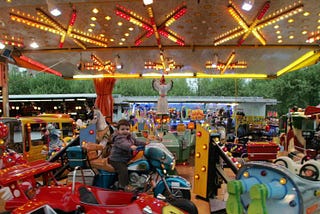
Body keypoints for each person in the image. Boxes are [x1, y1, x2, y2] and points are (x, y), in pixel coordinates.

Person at [108, 119, 148, 191]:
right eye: (122, 129)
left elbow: (136, 141)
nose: (125, 131)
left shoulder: (130, 136)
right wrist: (130, 147)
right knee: (123, 170)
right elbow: (124, 144)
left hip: (126, 158)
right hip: (117, 159)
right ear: (118, 130)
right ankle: (123, 186)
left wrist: (145, 143)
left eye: (127, 129)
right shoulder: (118, 138)